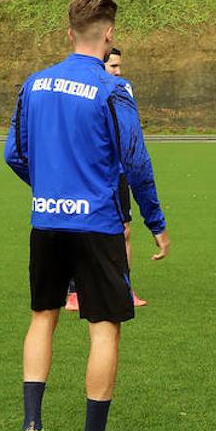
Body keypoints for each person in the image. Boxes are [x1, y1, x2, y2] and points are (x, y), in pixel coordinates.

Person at [6, 0, 170, 431]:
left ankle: (31, 429)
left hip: (46, 221)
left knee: (43, 317)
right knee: (104, 328)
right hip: (96, 224)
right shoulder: (112, 89)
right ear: (109, 34)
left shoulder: (34, 84)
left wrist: (48, 189)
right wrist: (155, 223)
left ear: (69, 32)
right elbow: (136, 163)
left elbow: (14, 154)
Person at [66, 47, 147, 311]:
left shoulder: (123, 88)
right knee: (80, 230)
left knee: (123, 231)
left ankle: (124, 288)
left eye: (119, 66)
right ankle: (75, 290)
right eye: (113, 66)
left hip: (118, 173)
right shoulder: (79, 91)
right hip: (87, 173)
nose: (119, 71)